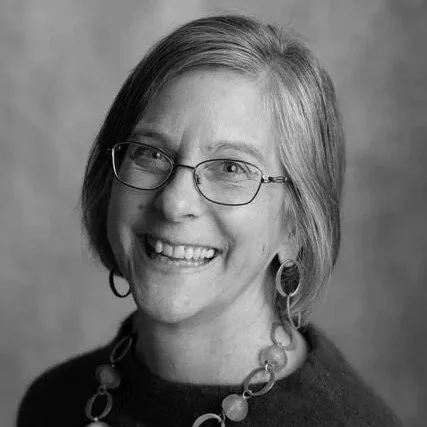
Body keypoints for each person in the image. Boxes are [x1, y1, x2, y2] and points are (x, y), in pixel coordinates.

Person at [17, 14, 402, 427]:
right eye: (151, 153)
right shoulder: (54, 403)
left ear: (296, 226)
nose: (174, 202)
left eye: (232, 168)